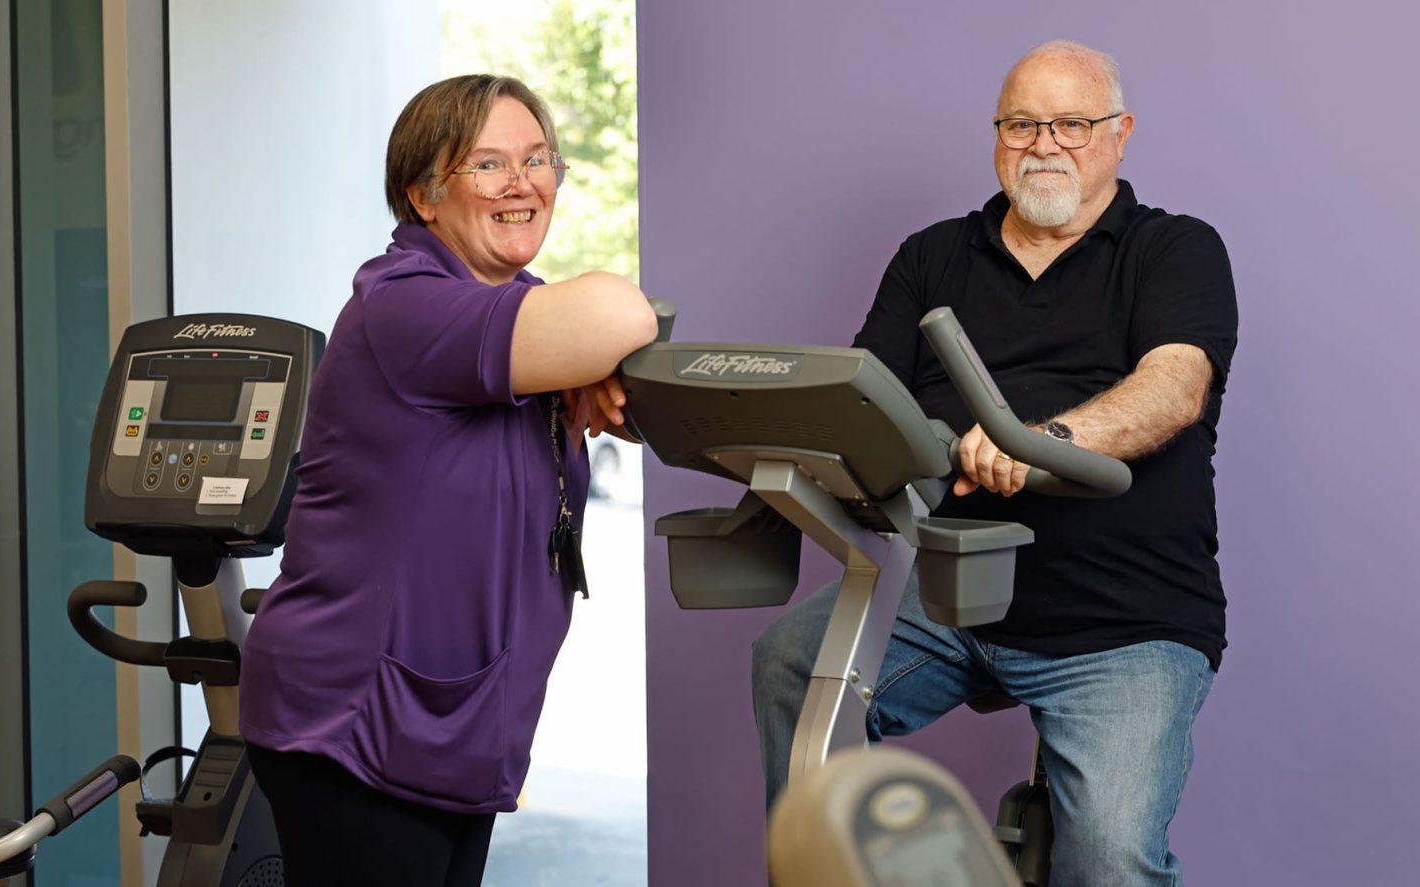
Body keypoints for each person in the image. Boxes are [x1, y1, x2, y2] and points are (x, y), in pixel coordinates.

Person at [753, 40, 1238, 886]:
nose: (1042, 143)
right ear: (995, 135)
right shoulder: (933, 255)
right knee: (791, 660)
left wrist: (1038, 442)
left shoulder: (1174, 249)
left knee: (1110, 858)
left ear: (1118, 135)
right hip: (945, 590)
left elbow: (1173, 387)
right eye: (1020, 123)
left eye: (1071, 124)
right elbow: (867, 401)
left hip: (1122, 620)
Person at [238, 74, 657, 886]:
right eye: (489, 164)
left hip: (454, 728)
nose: (523, 183)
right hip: (355, 722)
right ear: (422, 196)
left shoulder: (521, 314)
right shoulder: (405, 306)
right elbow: (622, 313)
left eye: (538, 159)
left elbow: (628, 389)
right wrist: (591, 354)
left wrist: (591, 374)